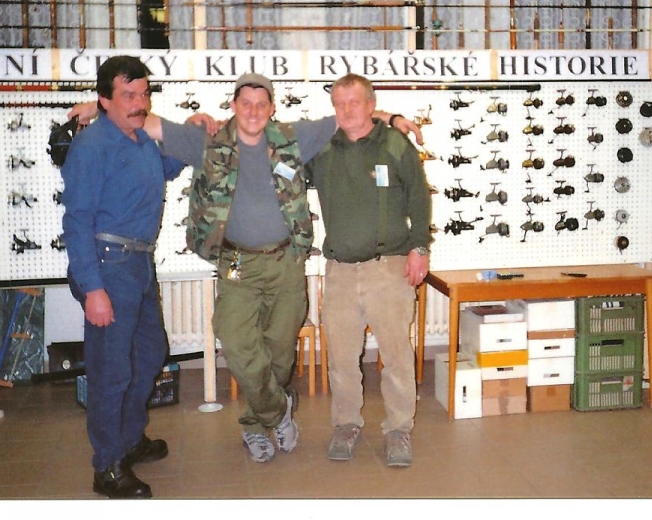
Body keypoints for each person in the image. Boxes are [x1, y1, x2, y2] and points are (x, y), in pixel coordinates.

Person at [70, 73, 421, 465]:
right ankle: (278, 409)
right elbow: (142, 120)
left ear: (272, 108)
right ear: (233, 105)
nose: (253, 111)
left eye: (261, 104)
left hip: (286, 262)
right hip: (236, 262)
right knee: (236, 343)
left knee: (280, 353)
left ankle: (255, 425)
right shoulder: (207, 140)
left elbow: (351, 115)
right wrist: (98, 108)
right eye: (246, 103)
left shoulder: (292, 137)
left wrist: (393, 119)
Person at [61, 56, 185, 499]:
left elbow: (172, 165)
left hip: (139, 265)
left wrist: (187, 129)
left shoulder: (142, 140)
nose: (139, 103)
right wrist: (93, 288)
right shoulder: (91, 146)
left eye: (144, 94)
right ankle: (107, 466)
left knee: (150, 354)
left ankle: (130, 439)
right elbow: (77, 221)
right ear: (104, 100)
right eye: (128, 95)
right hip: (108, 265)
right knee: (111, 370)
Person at [309, 73, 431, 468]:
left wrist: (420, 248)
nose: (346, 110)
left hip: (389, 267)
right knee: (341, 358)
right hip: (340, 272)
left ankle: (398, 430)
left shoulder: (395, 144)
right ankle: (346, 424)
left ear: (371, 104)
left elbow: (419, 197)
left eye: (355, 102)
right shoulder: (321, 148)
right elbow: (278, 152)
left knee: (396, 356)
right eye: (339, 103)